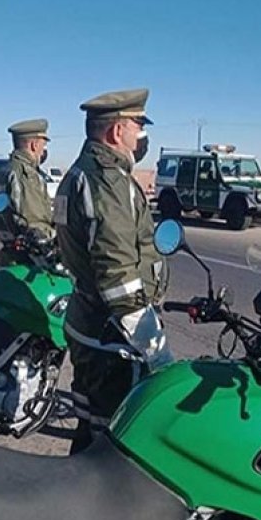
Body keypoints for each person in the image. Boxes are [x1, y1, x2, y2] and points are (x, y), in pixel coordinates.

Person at [54, 88, 170, 453]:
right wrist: (152, 343)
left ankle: (78, 499)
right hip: (112, 336)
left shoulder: (83, 173)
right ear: (117, 132)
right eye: (138, 125)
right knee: (114, 442)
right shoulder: (108, 182)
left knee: (91, 426)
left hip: (90, 322)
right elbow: (117, 272)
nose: (143, 136)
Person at [0, 118, 54, 267]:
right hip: (29, 261)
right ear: (34, 145)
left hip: (8, 256)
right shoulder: (26, 175)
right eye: (43, 146)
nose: (43, 151)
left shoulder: (1, 173)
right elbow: (35, 223)